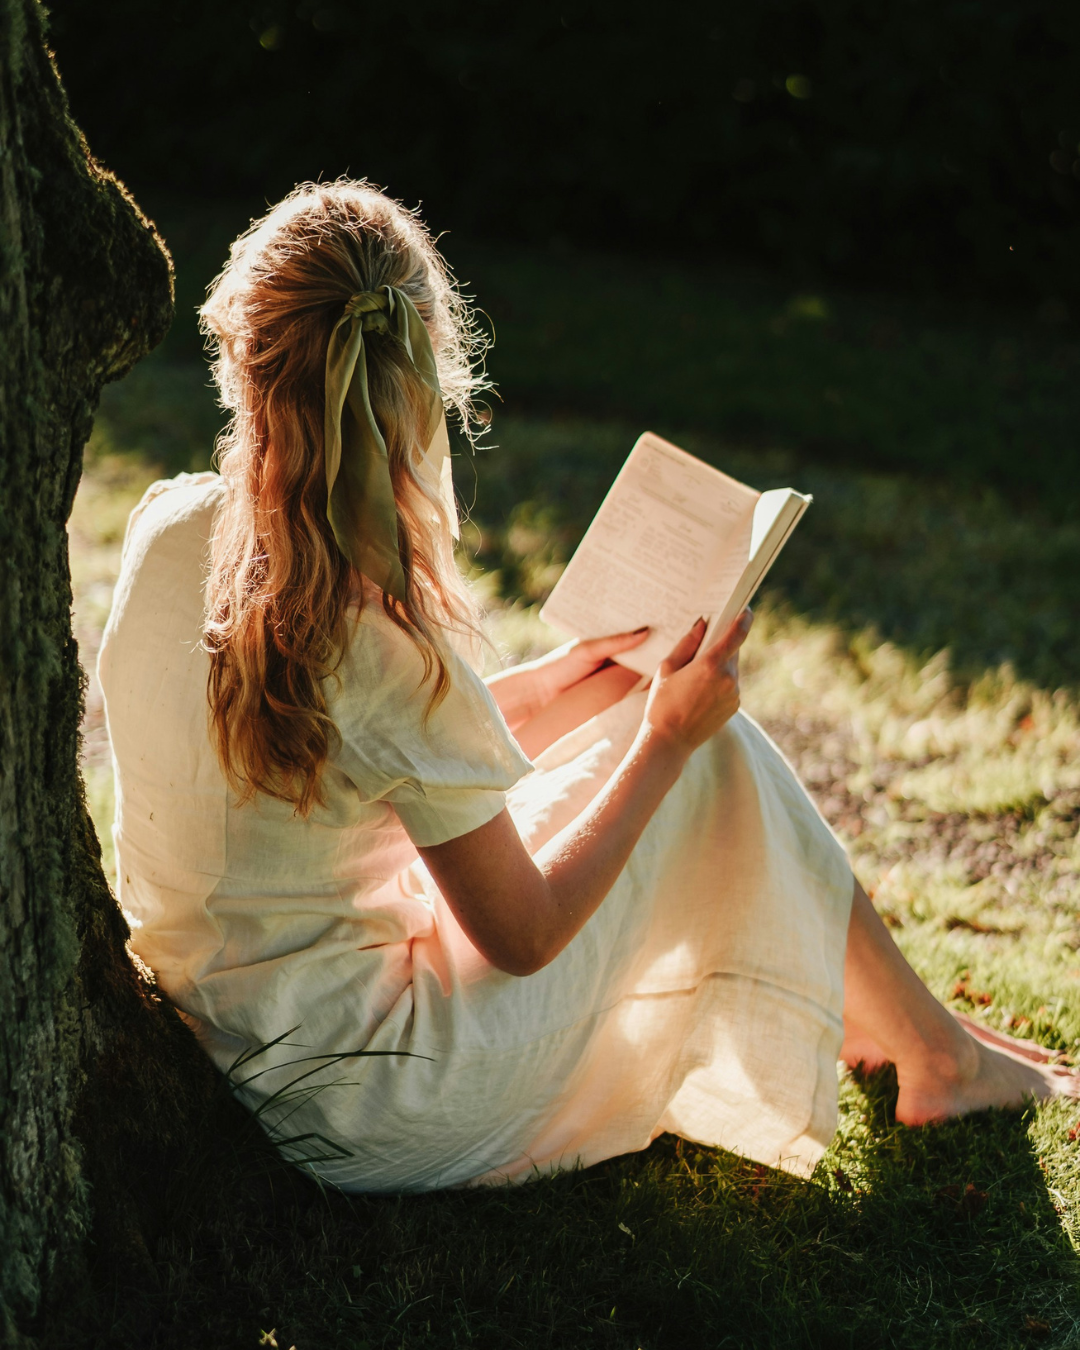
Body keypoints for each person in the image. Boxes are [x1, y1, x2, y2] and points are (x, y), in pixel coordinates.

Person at [98, 180, 1076, 1194]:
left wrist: (585, 678)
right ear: (424, 384)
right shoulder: (375, 634)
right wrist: (662, 741)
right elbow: (522, 936)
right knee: (704, 757)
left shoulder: (171, 529)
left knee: (653, 720)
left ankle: (915, 1034)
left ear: (238, 353)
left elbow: (403, 749)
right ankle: (935, 1054)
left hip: (217, 1036)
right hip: (357, 1099)